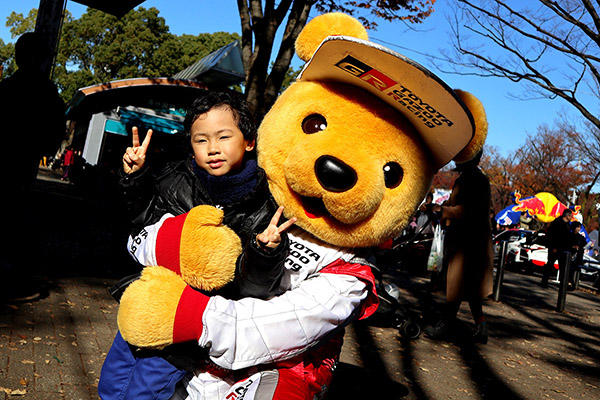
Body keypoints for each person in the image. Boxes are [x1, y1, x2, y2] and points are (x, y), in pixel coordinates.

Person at [99, 90, 297, 400]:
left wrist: (264, 251)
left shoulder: (264, 204)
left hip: (184, 325)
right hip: (144, 304)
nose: (213, 148)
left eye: (223, 137)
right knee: (112, 383)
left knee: (144, 391)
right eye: (201, 140)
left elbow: (255, 288)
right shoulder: (177, 178)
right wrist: (135, 176)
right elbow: (143, 218)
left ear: (249, 141)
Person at [0, 32, 65, 303]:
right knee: (16, 221)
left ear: (16, 57)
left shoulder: (4, 89)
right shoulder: (49, 94)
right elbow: (53, 137)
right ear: (41, 59)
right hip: (25, 167)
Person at [424, 150, 493, 344]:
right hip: (466, 240)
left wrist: (443, 210)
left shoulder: (476, 180)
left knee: (457, 285)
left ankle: (446, 325)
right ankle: (480, 326)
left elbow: (470, 210)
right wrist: (441, 207)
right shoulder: (468, 179)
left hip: (470, 242)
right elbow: (459, 205)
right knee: (469, 288)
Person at [541, 208, 573, 288]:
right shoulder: (556, 223)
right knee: (550, 265)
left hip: (563, 249)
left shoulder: (568, 225)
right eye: (570, 216)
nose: (571, 217)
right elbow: (552, 235)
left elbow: (568, 237)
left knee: (563, 267)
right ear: (567, 215)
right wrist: (553, 247)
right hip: (554, 248)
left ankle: (563, 284)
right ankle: (544, 281)